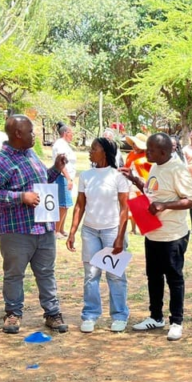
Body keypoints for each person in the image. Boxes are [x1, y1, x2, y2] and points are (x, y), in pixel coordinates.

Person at [0, 115, 70, 335]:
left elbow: (39, 184)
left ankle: (52, 313)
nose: (34, 135)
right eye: (30, 132)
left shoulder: (31, 154)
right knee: (14, 274)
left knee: (46, 272)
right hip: (16, 230)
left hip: (43, 226)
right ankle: (13, 313)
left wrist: (55, 169)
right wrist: (21, 197)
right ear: (18, 134)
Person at [120, 133, 192, 341]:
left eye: (151, 150)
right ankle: (156, 317)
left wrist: (164, 205)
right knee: (153, 277)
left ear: (163, 152)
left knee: (174, 278)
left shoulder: (177, 169)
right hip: (153, 232)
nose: (146, 152)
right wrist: (135, 180)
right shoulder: (156, 166)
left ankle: (176, 322)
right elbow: (152, 192)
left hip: (172, 235)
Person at [66, 138, 131, 333]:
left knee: (115, 275)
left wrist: (120, 236)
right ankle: (90, 314)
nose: (90, 151)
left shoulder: (118, 176)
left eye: (94, 148)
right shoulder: (86, 175)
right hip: (90, 231)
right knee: (91, 274)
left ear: (105, 152)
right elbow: (80, 205)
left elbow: (124, 208)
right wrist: (72, 231)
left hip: (112, 230)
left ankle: (119, 315)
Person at [51, 123, 76, 238]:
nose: (72, 135)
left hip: (66, 177)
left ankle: (61, 229)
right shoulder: (60, 145)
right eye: (71, 133)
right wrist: (68, 178)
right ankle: (56, 230)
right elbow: (61, 163)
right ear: (66, 133)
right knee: (63, 204)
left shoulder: (65, 144)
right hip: (62, 177)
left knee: (66, 204)